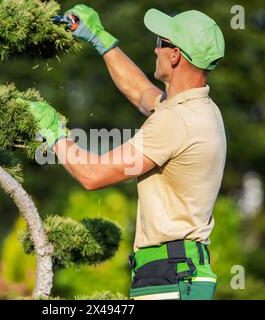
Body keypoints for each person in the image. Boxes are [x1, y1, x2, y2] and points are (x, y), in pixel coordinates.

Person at [28, 4, 226, 300]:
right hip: (179, 270)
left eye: (161, 43)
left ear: (175, 56)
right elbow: (142, 93)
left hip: (169, 274)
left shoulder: (175, 121)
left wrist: (54, 131)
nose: (155, 49)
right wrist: (98, 37)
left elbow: (92, 175)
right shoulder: (200, 109)